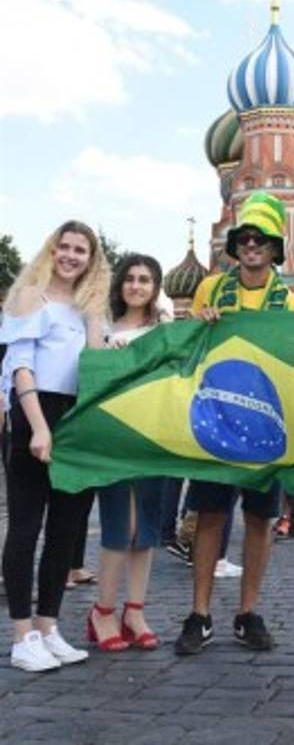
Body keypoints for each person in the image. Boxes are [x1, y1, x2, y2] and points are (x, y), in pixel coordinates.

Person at [174, 192, 294, 656]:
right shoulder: (211, 289)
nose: (251, 245)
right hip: (218, 419)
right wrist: (199, 321)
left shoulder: (289, 302)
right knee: (210, 516)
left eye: (260, 239)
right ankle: (200, 614)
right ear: (235, 245)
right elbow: (188, 344)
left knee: (259, 520)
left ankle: (248, 613)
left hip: (264, 423)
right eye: (244, 238)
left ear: (274, 248)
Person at [0, 221, 109, 672]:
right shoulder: (31, 296)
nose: (70, 256)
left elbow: (98, 364)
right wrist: (39, 428)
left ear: (91, 259)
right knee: (26, 526)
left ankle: (48, 627)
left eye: (80, 250)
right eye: (64, 247)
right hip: (35, 410)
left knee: (67, 528)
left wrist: (95, 314)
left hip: (77, 415)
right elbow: (20, 366)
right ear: (51, 249)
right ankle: (22, 635)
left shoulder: (89, 308)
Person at [87, 254, 168, 652]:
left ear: (156, 288)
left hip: (153, 436)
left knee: (145, 529)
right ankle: (102, 611)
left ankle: (134, 611)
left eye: (145, 280)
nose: (136, 286)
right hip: (114, 437)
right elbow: (90, 371)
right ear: (120, 284)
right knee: (120, 525)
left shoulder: (164, 331)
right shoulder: (102, 327)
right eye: (130, 278)